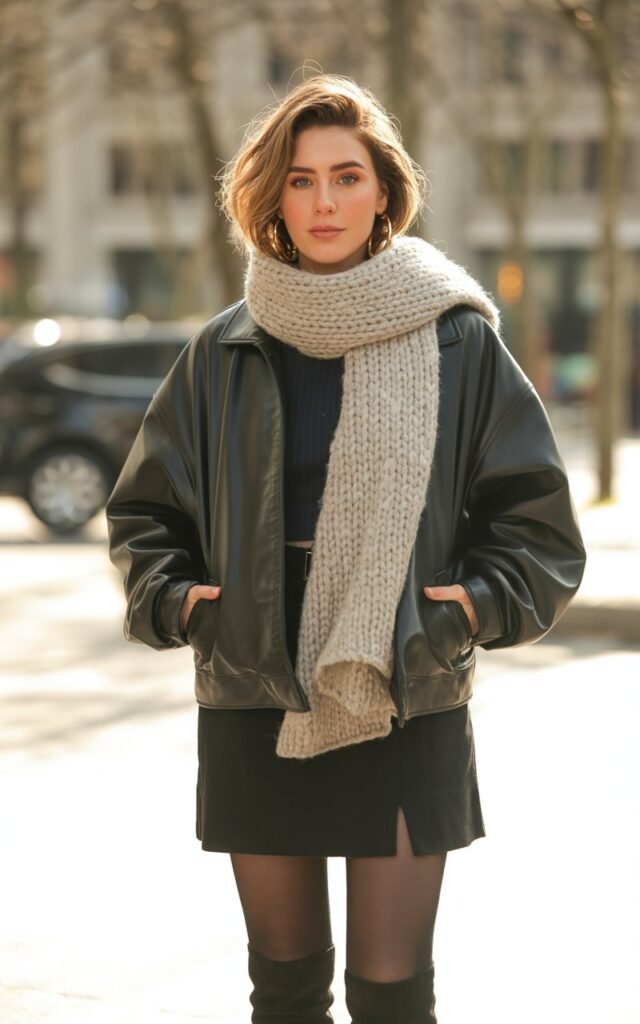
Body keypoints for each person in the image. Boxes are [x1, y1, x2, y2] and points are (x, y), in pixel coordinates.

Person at [106, 74, 586, 1024]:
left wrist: (470, 611)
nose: (324, 201)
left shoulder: (460, 343)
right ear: (273, 199)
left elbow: (536, 523)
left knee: (392, 998)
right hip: (259, 687)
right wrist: (187, 608)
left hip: (402, 684)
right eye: (301, 180)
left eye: (346, 176)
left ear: (385, 192)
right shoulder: (224, 350)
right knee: (283, 996)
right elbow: (144, 516)